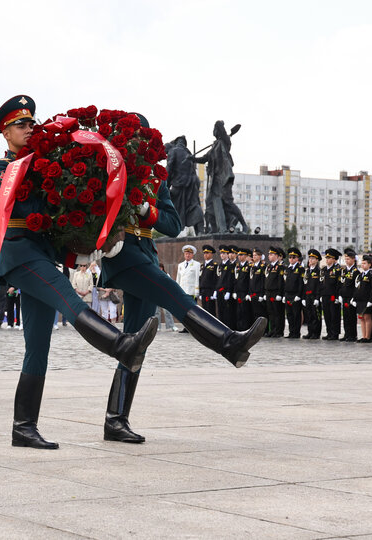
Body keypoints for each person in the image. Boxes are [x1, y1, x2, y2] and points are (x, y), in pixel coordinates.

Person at [0, 96, 162, 450]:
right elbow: (18, 206)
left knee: (38, 347)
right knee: (69, 300)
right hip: (20, 256)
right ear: (6, 133)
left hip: (42, 255)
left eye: (31, 123)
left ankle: (23, 427)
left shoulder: (43, 163)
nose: (28, 129)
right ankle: (121, 345)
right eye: (21, 125)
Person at [93, 114, 266, 445]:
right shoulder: (110, 170)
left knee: (136, 341)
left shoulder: (155, 180)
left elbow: (173, 224)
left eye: (144, 139)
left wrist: (147, 209)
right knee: (175, 296)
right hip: (124, 257)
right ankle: (228, 342)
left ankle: (115, 420)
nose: (140, 145)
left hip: (145, 254)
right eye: (136, 138)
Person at [176, 245, 200, 332]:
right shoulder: (180, 265)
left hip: (191, 292)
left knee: (192, 311)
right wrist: (177, 290)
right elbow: (178, 279)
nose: (187, 255)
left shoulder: (196, 264)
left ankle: (193, 328)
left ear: (192, 255)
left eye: (189, 254)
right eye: (186, 254)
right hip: (183, 291)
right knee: (184, 311)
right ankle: (186, 327)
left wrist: (197, 291)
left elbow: (197, 278)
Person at [320, 248, 343, 340]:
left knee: (334, 315)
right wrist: (321, 295)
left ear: (334, 259)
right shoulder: (324, 269)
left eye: (329, 258)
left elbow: (339, 284)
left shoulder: (338, 270)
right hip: (325, 295)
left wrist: (337, 296)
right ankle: (329, 332)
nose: (327, 260)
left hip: (333, 295)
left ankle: (335, 333)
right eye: (327, 258)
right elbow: (321, 283)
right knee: (327, 315)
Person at [264, 247, 286, 338]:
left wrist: (280, 294)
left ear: (277, 256)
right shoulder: (269, 267)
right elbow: (267, 280)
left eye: (271, 254)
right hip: (269, 292)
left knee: (277, 313)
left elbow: (281, 282)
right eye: (269, 254)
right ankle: (272, 330)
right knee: (271, 313)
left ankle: (278, 331)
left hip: (276, 292)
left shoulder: (280, 267)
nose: (269, 256)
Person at [283, 247, 304, 339]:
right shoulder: (288, 269)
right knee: (289, 315)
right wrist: (284, 294)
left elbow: (300, 284)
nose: (291, 259)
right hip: (288, 294)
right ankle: (291, 332)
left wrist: (299, 295)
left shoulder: (300, 269)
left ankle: (296, 332)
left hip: (295, 295)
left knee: (296, 315)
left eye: (293, 257)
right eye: (290, 257)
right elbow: (285, 282)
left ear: (297, 259)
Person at [354, 254, 372, 342]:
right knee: (361, 318)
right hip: (360, 300)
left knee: (367, 318)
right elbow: (357, 288)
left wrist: (371, 300)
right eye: (362, 263)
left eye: (365, 263)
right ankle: (363, 336)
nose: (363, 265)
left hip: (367, 300)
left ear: (370, 264)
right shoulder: (360, 275)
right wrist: (354, 299)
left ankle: (368, 336)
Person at [302, 249, 323, 339]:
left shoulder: (319, 271)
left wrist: (317, 298)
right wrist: (303, 297)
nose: (310, 260)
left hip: (314, 296)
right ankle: (310, 332)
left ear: (317, 260)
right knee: (309, 315)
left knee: (316, 316)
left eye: (313, 258)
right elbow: (304, 284)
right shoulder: (307, 271)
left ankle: (316, 333)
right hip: (307, 296)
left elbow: (319, 285)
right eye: (310, 258)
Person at [339, 250, 359, 342]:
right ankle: (346, 334)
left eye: (348, 259)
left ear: (353, 260)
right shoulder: (344, 271)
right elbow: (341, 284)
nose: (346, 261)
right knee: (346, 317)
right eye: (345, 259)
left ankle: (352, 335)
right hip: (344, 296)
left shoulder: (355, 272)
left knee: (351, 317)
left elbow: (356, 286)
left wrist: (354, 298)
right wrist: (339, 295)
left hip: (350, 297)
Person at [233, 247, 252, 331]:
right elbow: (235, 280)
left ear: (246, 256)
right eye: (239, 255)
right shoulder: (237, 267)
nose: (239, 257)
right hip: (238, 292)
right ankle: (239, 327)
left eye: (241, 255)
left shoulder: (249, 267)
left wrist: (248, 293)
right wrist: (234, 291)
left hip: (245, 292)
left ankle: (245, 328)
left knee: (245, 312)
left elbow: (249, 281)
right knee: (238, 311)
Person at [198, 244, 218, 316]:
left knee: (211, 311)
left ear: (211, 254)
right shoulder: (202, 265)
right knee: (204, 311)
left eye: (207, 253)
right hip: (203, 291)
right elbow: (200, 279)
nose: (205, 255)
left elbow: (216, 279)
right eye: (204, 253)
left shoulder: (214, 265)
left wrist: (214, 291)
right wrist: (200, 292)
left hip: (210, 291)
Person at [249, 248, 267, 324]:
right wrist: (249, 293)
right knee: (254, 313)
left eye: (256, 255)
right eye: (253, 255)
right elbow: (250, 280)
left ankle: (263, 330)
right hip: (253, 293)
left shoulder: (262, 267)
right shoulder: (252, 267)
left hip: (259, 293)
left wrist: (262, 294)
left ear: (260, 256)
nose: (254, 257)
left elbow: (263, 281)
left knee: (261, 313)